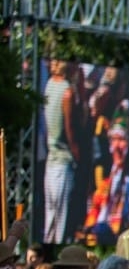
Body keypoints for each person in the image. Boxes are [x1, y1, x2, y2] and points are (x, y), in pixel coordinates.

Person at [42, 60, 81, 243]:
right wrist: (76, 152)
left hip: (51, 157)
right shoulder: (67, 92)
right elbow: (69, 127)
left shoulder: (49, 84)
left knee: (51, 212)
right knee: (62, 215)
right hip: (63, 158)